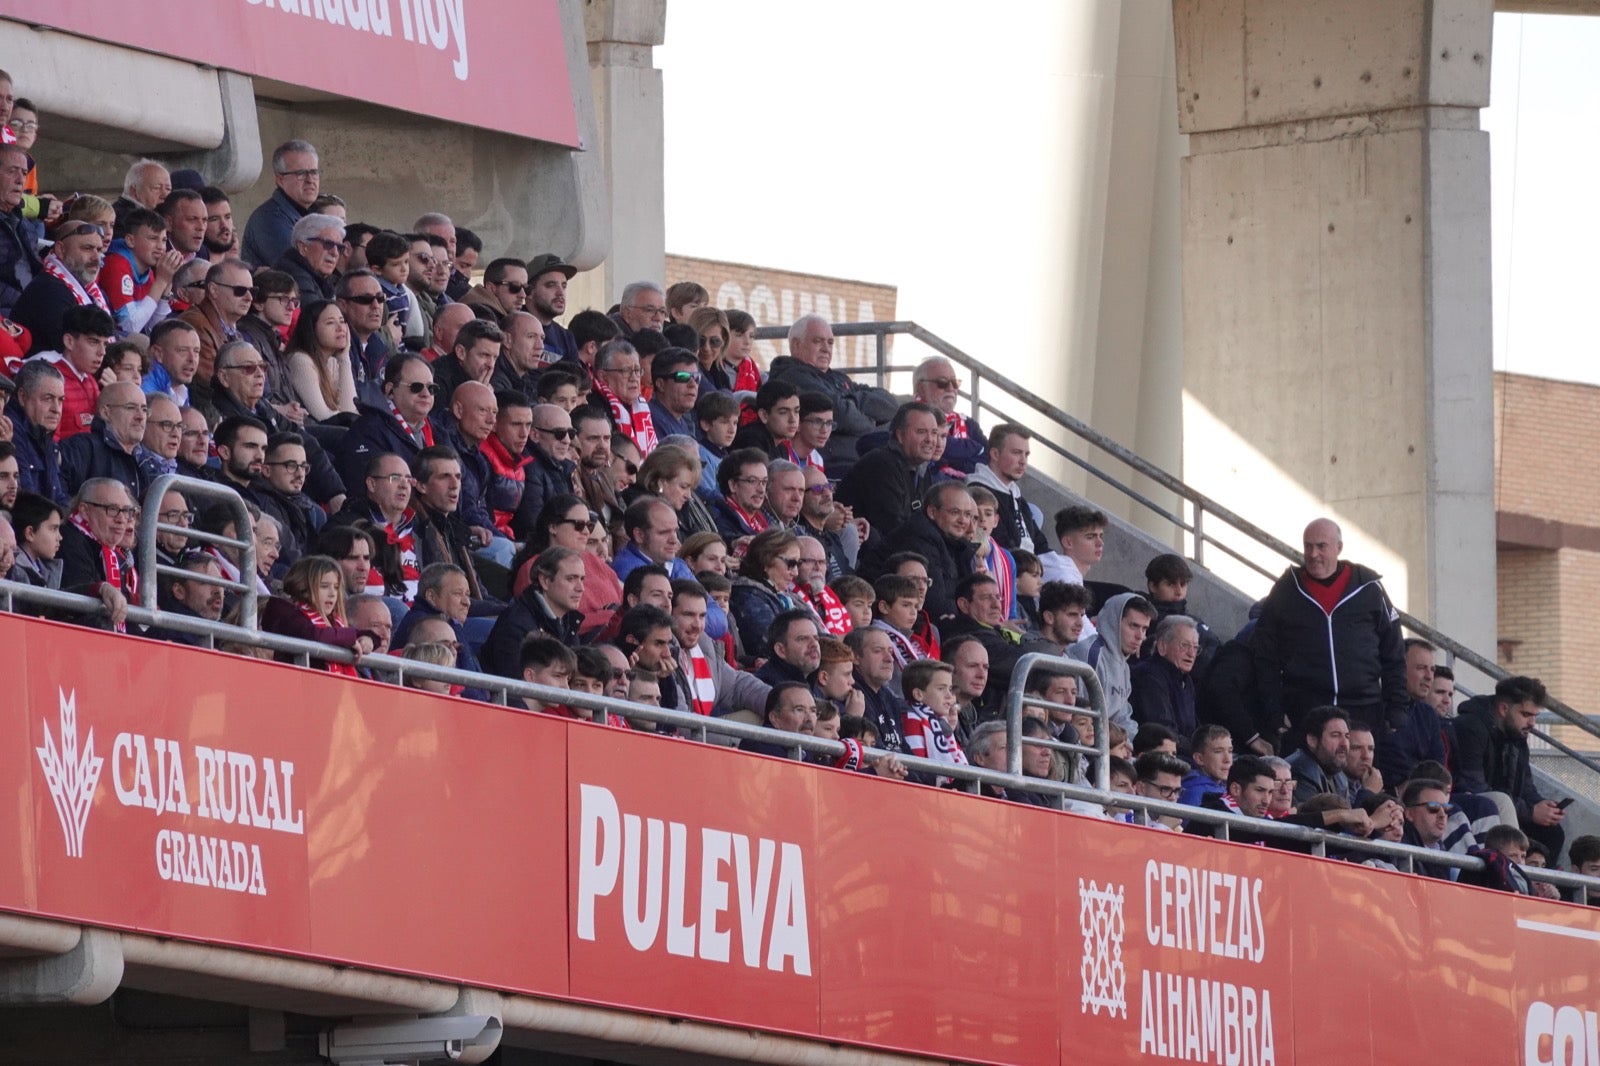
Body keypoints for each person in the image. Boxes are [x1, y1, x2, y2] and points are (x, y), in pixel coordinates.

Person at [1253, 517, 1407, 740]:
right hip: (1306, 712)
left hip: (1364, 710)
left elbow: (1393, 652)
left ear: (1339, 548)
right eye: (1308, 546)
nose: (1313, 554)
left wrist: (1397, 708)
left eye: (1321, 546)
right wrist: (1274, 711)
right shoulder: (1286, 590)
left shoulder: (1369, 588)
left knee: (1365, 773)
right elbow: (1265, 656)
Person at [1454, 674, 1565, 862]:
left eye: (1535, 716)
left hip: (1507, 809)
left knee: (1553, 833)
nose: (1532, 723)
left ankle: (1539, 885)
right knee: (1501, 801)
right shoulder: (1470, 727)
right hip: (1473, 807)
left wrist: (1543, 807)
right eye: (1526, 714)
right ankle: (1513, 878)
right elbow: (1474, 786)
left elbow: (1527, 787)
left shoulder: (1517, 736)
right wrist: (1530, 812)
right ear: (1504, 708)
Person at [767, 314, 897, 472]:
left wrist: (852, 401)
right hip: (830, 468)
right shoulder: (792, 376)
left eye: (830, 342)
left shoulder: (838, 378)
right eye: (817, 341)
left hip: (859, 462)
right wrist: (871, 422)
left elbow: (889, 405)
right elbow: (842, 414)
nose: (826, 348)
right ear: (796, 345)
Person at [870, 481, 978, 623]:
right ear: (932, 512)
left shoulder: (954, 541)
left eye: (968, 514)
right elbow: (934, 605)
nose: (963, 521)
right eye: (955, 512)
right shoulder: (920, 537)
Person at [668, 579, 771, 718]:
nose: (697, 625)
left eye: (702, 616)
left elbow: (736, 685)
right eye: (688, 615)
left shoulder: (705, 647)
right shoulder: (662, 653)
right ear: (669, 614)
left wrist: (781, 702)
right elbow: (680, 723)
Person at [835, 401, 940, 537]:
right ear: (900, 436)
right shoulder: (881, 465)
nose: (930, 439)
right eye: (921, 432)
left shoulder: (921, 469)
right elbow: (892, 528)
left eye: (934, 433)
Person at [334, 354, 436, 492]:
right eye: (416, 387)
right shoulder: (368, 431)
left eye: (431, 388)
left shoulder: (437, 431)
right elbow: (370, 492)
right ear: (390, 390)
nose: (426, 394)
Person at [481, 546, 587, 677]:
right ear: (545, 581)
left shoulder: (568, 623)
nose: (580, 588)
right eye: (571, 579)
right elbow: (515, 688)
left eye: (582, 579)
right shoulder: (515, 625)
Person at [1067, 591, 1155, 734]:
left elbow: (1123, 717)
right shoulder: (1090, 654)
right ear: (1114, 623)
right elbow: (1080, 713)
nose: (1140, 636)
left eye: (1144, 629)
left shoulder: (1124, 667)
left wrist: (1130, 742)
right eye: (1133, 626)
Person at [58, 477, 138, 632]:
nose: (122, 519)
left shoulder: (115, 553)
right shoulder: (68, 540)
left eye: (127, 511)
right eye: (112, 509)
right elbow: (78, 604)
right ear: (85, 511)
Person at [33, 303, 114, 440]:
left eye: (105, 344)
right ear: (69, 341)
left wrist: (113, 394)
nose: (102, 352)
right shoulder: (49, 379)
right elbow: (48, 445)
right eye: (93, 342)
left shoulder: (91, 382)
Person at [59, 381, 147, 500]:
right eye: (130, 408)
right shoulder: (81, 448)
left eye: (144, 409)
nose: (140, 417)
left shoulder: (146, 462)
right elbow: (55, 494)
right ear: (105, 413)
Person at [176, 258, 257, 387]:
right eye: (240, 290)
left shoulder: (234, 331)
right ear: (213, 290)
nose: (249, 298)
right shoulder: (195, 325)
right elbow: (217, 383)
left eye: (252, 291)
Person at [243, 140, 322, 267]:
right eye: (301, 173)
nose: (310, 180)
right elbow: (297, 269)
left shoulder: (314, 213)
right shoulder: (268, 219)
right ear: (280, 180)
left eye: (314, 172)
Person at [728, 527, 803, 661]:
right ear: (766, 561)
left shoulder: (786, 596)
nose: (796, 573)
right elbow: (772, 648)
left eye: (798, 564)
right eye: (791, 564)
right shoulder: (748, 598)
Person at [1129, 614, 1200, 740]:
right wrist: (1200, 751)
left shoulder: (1186, 680)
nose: (1191, 654)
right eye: (1184, 645)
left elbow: (1193, 729)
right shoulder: (1149, 675)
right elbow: (1163, 732)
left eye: (1195, 648)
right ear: (1162, 647)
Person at [283, 300, 355, 423]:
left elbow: (350, 410)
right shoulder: (300, 360)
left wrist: (344, 359)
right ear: (311, 328)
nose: (340, 328)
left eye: (342, 321)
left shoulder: (332, 362)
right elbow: (323, 416)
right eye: (330, 323)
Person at [6, 359, 66, 503]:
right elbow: (27, 500)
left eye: (61, 400)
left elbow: (58, 496)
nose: (56, 409)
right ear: (23, 396)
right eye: (48, 398)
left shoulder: (43, 432)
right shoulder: (11, 429)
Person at [846, 624, 906, 754]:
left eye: (890, 651)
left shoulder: (891, 699)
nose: (889, 659)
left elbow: (903, 747)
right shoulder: (851, 694)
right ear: (855, 657)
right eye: (878, 651)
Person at [589, 339, 655, 455]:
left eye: (637, 370)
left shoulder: (641, 405)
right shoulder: (595, 407)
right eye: (625, 371)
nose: (634, 377)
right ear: (603, 377)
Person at [1285, 707, 1355, 806]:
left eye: (1347, 736)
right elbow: (1313, 818)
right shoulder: (1300, 772)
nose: (1344, 743)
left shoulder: (1339, 775)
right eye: (1335, 735)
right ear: (1312, 740)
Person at [275, 213, 343, 306]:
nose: (335, 253)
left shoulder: (321, 277)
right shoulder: (295, 275)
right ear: (303, 247)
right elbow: (318, 316)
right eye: (328, 244)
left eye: (339, 247)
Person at [737, 681, 817, 760]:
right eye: (799, 710)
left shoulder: (809, 750)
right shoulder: (758, 747)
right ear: (775, 718)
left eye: (813, 711)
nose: (809, 719)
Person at [1399, 778, 1461, 880]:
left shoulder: (1447, 859)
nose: (1442, 815)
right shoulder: (1397, 849)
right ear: (1409, 813)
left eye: (1446, 809)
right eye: (1433, 807)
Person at [7, 491, 63, 588]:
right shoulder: (14, 572)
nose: (60, 537)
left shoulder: (45, 569)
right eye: (53, 529)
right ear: (30, 533)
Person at [142, 318, 202, 408]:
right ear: (158, 353)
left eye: (196, 351)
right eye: (183, 350)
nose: (192, 359)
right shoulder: (144, 391)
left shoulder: (182, 390)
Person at [459, 257, 528, 328]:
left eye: (526, 288)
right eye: (515, 287)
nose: (523, 295)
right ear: (491, 288)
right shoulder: (481, 315)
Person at [1178, 724, 1233, 807]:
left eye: (1230, 751)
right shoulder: (1194, 793)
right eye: (1218, 751)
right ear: (1199, 758)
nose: (1227, 760)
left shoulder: (1225, 787)